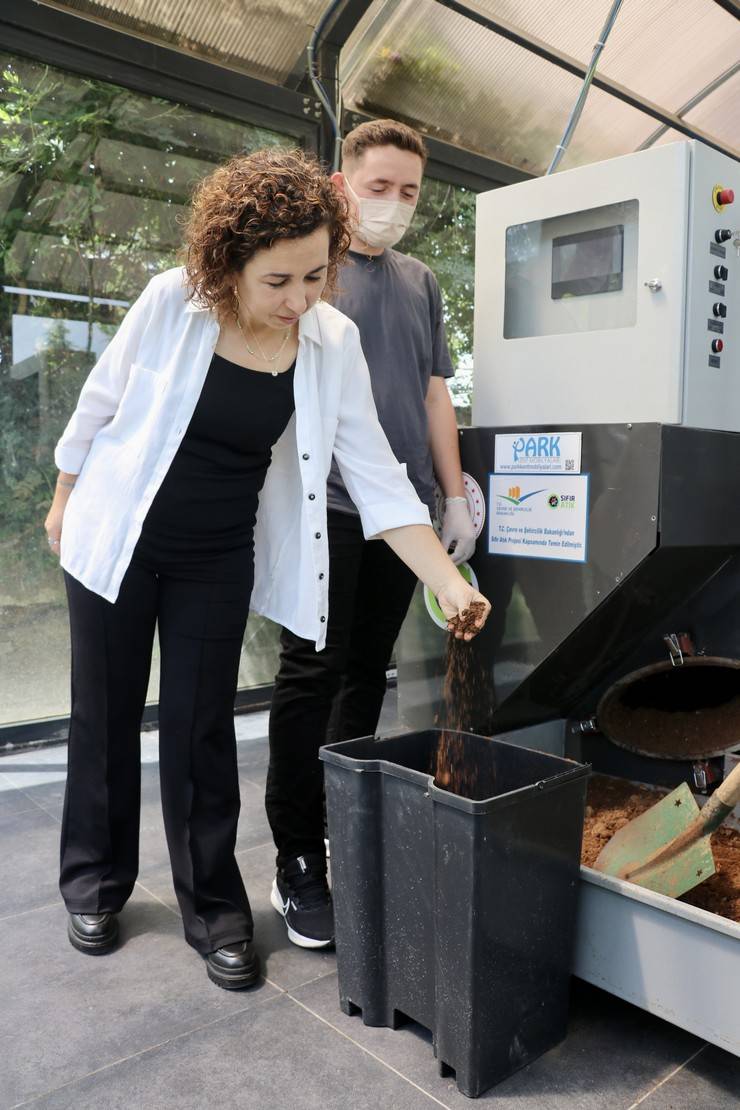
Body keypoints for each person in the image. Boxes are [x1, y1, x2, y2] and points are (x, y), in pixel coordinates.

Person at [44, 148, 490, 990]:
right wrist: (64, 499)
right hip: (118, 532)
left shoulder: (330, 339)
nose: (299, 300)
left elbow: (377, 477)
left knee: (200, 730)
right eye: (277, 281)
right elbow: (98, 402)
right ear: (228, 264)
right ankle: (94, 882)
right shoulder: (172, 302)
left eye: (315, 277)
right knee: (102, 717)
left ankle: (214, 908)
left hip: (215, 554)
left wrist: (446, 578)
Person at [266, 121, 477, 950]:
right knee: (309, 670)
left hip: (405, 511)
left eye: (410, 192)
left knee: (365, 675)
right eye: (379, 185)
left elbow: (433, 397)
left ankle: (341, 823)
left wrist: (452, 500)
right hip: (325, 504)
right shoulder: (309, 270)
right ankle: (294, 854)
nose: (393, 204)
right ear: (343, 178)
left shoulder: (420, 282)